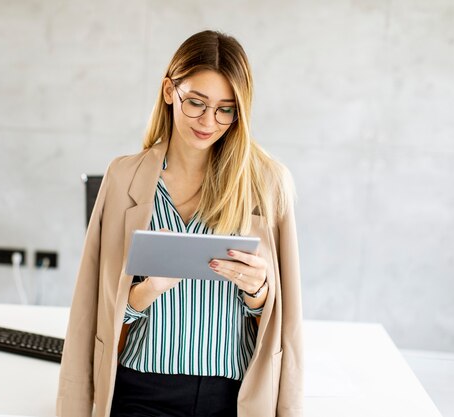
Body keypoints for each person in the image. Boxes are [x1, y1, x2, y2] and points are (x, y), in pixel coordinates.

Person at [56, 30, 303, 417]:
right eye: (196, 103)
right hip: (141, 387)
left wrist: (258, 293)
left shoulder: (268, 183)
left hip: (232, 395)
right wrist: (146, 290)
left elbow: (285, 322)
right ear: (170, 90)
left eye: (226, 108)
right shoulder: (123, 177)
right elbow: (93, 306)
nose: (209, 121)